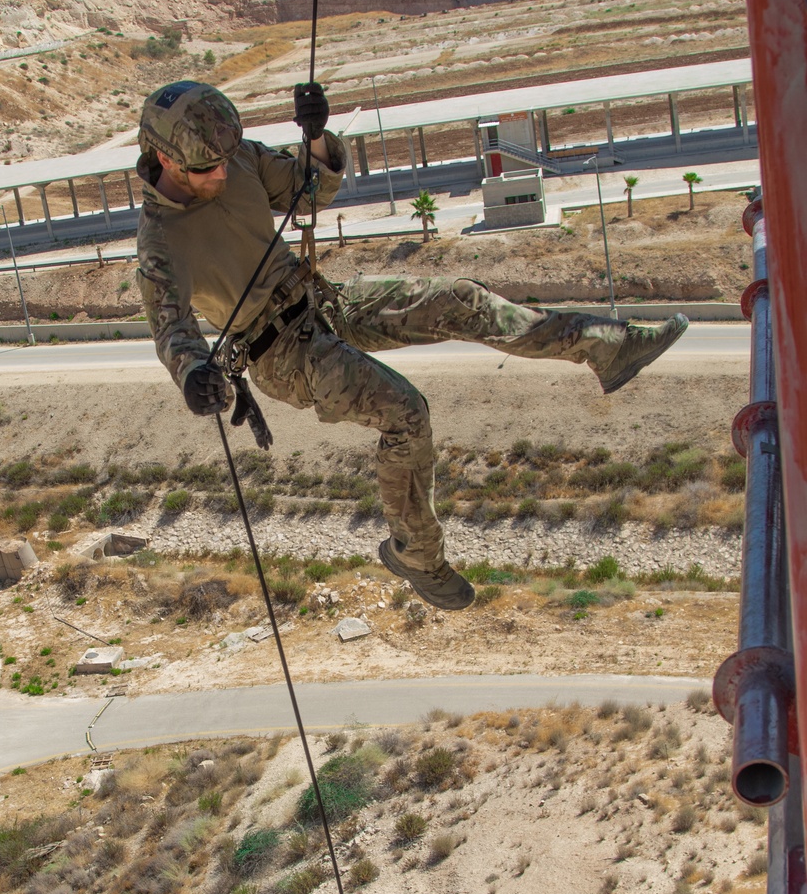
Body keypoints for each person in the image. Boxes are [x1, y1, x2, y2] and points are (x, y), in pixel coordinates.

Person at [135, 80, 688, 610]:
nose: (224, 173)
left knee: (460, 301)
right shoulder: (162, 238)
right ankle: (417, 554)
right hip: (282, 352)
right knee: (406, 413)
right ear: (167, 161)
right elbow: (172, 328)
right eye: (209, 169)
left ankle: (606, 348)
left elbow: (310, 191)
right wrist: (191, 374)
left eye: (227, 160)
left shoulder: (235, 158)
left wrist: (317, 138)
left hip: (324, 303)